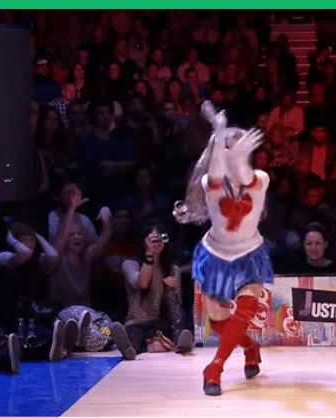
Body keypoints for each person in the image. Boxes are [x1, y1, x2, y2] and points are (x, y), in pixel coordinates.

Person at [173, 102, 273, 396]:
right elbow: (217, 176)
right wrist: (218, 133)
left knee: (245, 309)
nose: (236, 150)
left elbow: (246, 178)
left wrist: (238, 157)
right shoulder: (210, 182)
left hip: (249, 254)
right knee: (218, 322)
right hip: (215, 255)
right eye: (230, 146)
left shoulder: (260, 179)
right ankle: (250, 347)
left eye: (240, 147)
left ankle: (214, 368)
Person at [109, 221, 192, 360]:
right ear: (144, 241)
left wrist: (174, 288)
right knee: (128, 335)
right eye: (153, 238)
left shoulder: (172, 268)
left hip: (158, 324)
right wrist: (149, 254)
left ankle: (179, 338)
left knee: (160, 332)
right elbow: (142, 283)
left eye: (160, 237)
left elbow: (179, 303)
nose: (156, 242)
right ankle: (128, 346)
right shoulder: (130, 264)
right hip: (135, 323)